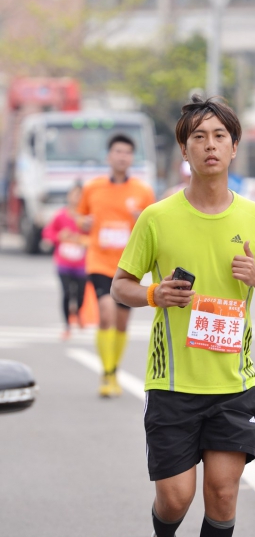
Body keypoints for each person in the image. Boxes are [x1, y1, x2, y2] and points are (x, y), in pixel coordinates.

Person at [111, 96, 255, 537]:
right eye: (198, 137)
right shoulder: (157, 217)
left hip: (233, 384)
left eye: (219, 136)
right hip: (173, 383)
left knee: (222, 494)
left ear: (234, 147)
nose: (210, 145)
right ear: (184, 150)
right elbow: (120, 286)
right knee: (175, 499)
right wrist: (154, 293)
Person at [77, 133, 155, 398]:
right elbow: (80, 216)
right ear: (109, 156)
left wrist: (141, 218)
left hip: (128, 265)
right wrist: (84, 223)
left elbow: (154, 225)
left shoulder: (142, 191)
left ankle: (114, 368)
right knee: (106, 313)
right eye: (118, 152)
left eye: (127, 152)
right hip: (99, 261)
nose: (122, 157)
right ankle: (107, 372)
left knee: (121, 323)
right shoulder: (93, 188)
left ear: (132, 158)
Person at [42, 182, 87, 340]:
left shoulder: (86, 219)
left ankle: (78, 311)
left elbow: (94, 237)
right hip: (64, 264)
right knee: (67, 292)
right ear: (69, 196)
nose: (77, 198)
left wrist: (82, 240)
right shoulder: (61, 216)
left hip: (82, 265)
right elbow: (48, 232)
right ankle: (67, 326)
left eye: (80, 195)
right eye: (75, 194)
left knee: (80, 294)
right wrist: (59, 236)